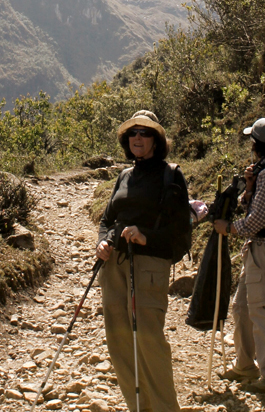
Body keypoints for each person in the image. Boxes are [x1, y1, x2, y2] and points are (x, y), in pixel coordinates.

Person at [95, 110, 189, 411]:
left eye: (145, 133)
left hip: (149, 265)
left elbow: (181, 230)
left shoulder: (170, 174)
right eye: (133, 133)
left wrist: (146, 235)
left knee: (148, 339)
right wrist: (103, 242)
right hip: (114, 265)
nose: (138, 137)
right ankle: (139, 406)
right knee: (118, 338)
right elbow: (108, 219)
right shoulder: (124, 176)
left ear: (156, 140)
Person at [213, 118, 265, 393]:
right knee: (243, 308)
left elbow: (256, 220)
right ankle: (245, 364)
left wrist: (229, 228)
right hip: (257, 249)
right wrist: (249, 186)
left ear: (256, 144)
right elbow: (251, 206)